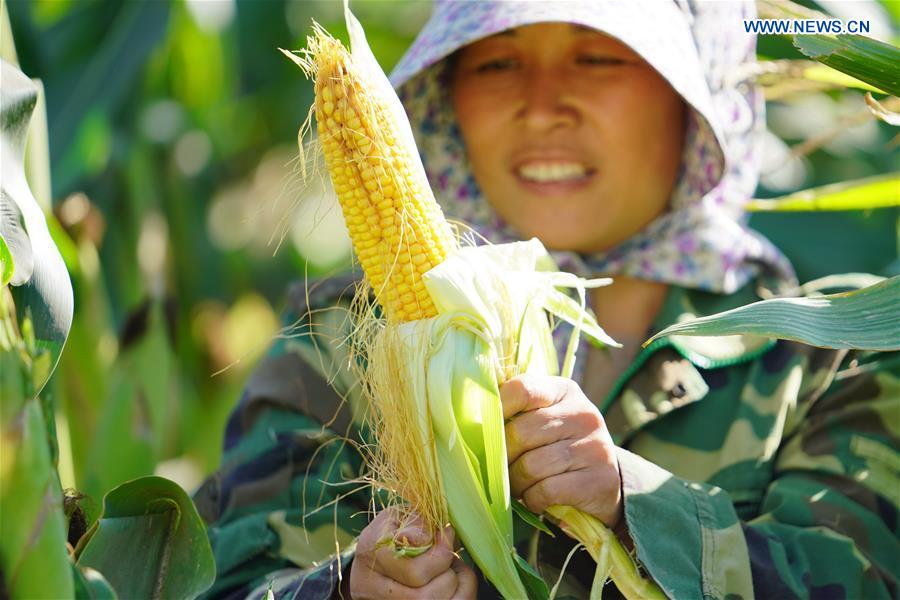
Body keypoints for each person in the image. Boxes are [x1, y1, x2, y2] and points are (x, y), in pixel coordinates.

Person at [192, 1, 899, 598]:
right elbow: (220, 577)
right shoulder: (344, 338)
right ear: (443, 95)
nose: (542, 107)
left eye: (599, 58)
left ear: (695, 94)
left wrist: (634, 501)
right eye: (497, 63)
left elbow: (862, 575)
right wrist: (348, 588)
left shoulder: (834, 348)